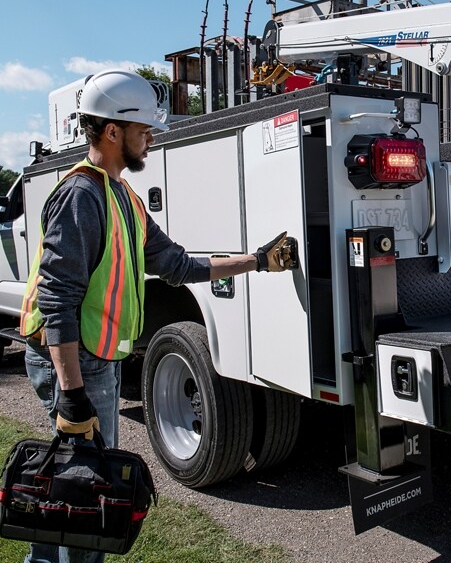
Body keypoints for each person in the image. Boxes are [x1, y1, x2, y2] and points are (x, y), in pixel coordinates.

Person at [19, 69, 295, 563]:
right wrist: (73, 393)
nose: (151, 140)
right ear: (111, 131)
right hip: (74, 363)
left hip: (94, 359)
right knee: (86, 495)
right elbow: (57, 298)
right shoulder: (80, 196)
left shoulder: (122, 197)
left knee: (76, 487)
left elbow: (176, 264)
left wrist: (256, 260)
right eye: (144, 131)